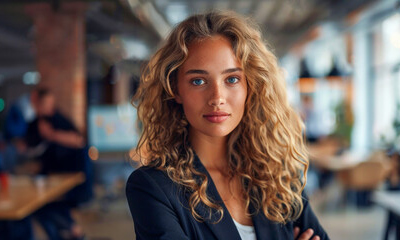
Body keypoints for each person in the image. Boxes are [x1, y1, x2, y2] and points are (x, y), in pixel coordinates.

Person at [126, 11, 329, 240]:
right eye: (198, 81)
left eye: (232, 79)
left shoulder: (277, 175)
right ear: (176, 89)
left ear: (249, 86)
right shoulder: (153, 188)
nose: (217, 97)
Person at [25, 88, 92, 240]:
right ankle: (72, 231)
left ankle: (73, 231)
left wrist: (52, 135)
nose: (50, 106)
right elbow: (28, 146)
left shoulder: (58, 119)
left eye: (51, 103)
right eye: (46, 103)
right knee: (39, 207)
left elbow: (79, 141)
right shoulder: (35, 123)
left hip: (70, 174)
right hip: (50, 175)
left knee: (46, 207)